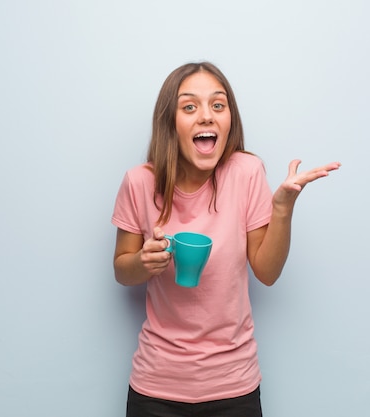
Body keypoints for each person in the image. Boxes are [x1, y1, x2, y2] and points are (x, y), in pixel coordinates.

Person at [111, 61, 340, 417]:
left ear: (229, 118)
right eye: (190, 107)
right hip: (155, 386)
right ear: (170, 122)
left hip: (234, 387)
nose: (206, 116)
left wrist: (282, 208)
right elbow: (121, 270)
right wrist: (143, 262)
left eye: (218, 105)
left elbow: (266, 272)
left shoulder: (246, 172)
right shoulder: (139, 181)